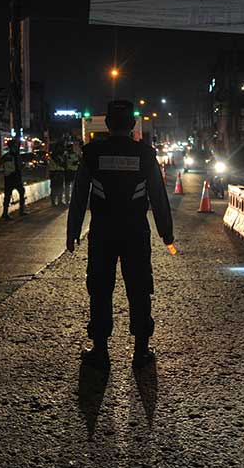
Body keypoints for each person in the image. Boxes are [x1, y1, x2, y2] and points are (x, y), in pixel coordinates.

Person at [67, 100, 174, 370]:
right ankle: (141, 351)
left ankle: (100, 350)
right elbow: (158, 197)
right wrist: (166, 231)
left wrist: (72, 232)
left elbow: (79, 196)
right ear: (133, 125)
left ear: (107, 124)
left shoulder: (92, 153)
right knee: (138, 288)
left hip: (102, 232)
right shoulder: (146, 155)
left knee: (100, 288)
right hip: (135, 232)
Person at [1, 138, 26, 220]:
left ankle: (6, 213)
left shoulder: (7, 156)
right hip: (13, 177)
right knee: (18, 193)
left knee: (9, 196)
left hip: (10, 178)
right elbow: (16, 167)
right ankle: (19, 211)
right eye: (16, 146)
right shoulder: (14, 156)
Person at [63, 134, 79, 205]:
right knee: (68, 187)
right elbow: (65, 163)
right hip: (69, 172)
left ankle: (72, 200)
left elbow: (79, 161)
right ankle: (67, 200)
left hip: (74, 172)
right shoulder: (66, 155)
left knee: (73, 187)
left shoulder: (75, 154)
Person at [48, 141, 65, 206]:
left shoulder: (60, 155)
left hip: (59, 172)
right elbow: (60, 163)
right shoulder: (54, 155)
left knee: (60, 187)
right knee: (54, 188)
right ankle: (53, 202)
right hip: (55, 173)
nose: (61, 149)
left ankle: (59, 201)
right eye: (60, 148)